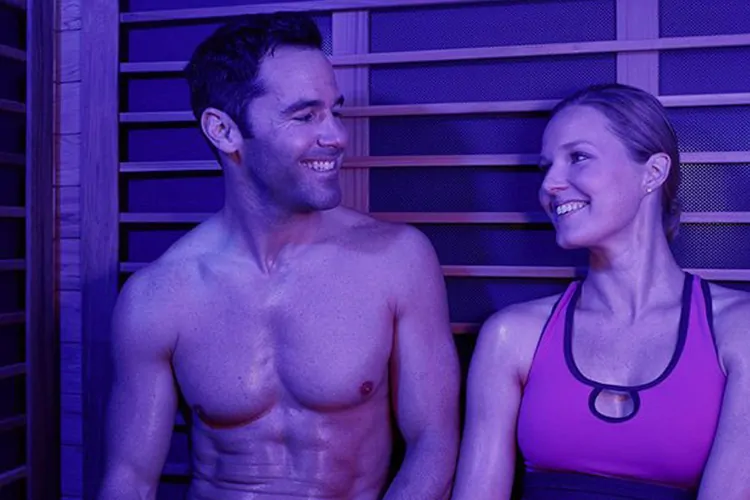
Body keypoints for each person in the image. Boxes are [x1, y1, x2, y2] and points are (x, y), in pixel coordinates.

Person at [99, 12, 460, 500]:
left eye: (336, 111)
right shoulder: (157, 298)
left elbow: (433, 444)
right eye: (305, 115)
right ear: (223, 131)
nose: (336, 137)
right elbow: (130, 479)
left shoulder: (397, 260)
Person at [451, 83, 750, 499]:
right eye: (545, 167)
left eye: (578, 158)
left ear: (653, 172)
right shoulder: (512, 336)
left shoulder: (739, 331)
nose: (551, 184)